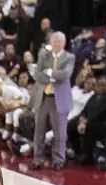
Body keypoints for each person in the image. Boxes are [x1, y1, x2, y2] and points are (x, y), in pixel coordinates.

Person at [31, 30, 74, 167]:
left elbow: (65, 74)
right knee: (39, 131)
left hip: (59, 100)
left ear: (63, 43)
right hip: (43, 97)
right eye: (54, 41)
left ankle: (58, 160)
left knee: (59, 133)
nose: (56, 44)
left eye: (58, 41)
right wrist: (53, 76)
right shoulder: (44, 56)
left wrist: (48, 73)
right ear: (50, 42)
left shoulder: (69, 57)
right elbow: (37, 75)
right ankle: (38, 159)